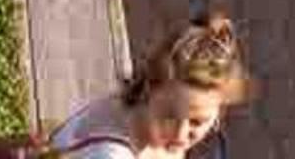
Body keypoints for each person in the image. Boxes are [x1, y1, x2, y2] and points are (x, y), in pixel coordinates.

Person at [46, 10, 250, 157]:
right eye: (169, 116)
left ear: (219, 112)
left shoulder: (144, 116)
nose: (180, 134)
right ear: (148, 89)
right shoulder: (112, 154)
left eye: (197, 122)